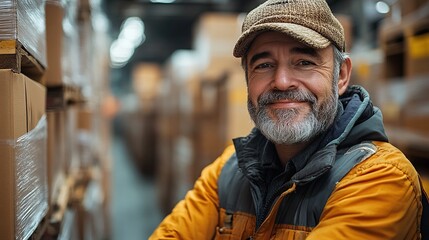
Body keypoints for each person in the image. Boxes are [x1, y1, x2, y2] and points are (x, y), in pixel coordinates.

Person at [150, 0, 428, 239]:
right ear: (247, 79)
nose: (281, 82)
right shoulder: (229, 170)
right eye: (264, 65)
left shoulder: (381, 179)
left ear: (341, 75)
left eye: (304, 62)